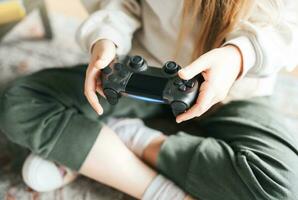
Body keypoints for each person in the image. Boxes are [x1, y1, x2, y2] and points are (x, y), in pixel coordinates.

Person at [1, 0, 298, 199]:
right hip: (146, 75)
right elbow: (124, 4)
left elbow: (287, 25)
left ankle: (121, 138)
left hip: (236, 90)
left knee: (283, 187)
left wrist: (238, 56)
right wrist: (106, 38)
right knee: (22, 102)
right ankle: (155, 186)